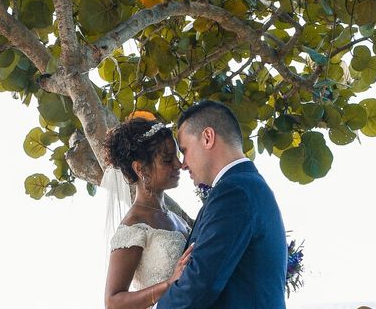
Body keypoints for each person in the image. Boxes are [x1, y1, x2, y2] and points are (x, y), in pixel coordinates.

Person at [156, 100, 288, 308]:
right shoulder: (247, 186)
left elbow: (202, 282)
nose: (182, 163)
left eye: (185, 150)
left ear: (207, 137)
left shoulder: (234, 192)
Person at [103, 117, 194, 309]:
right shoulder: (134, 226)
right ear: (140, 168)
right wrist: (168, 284)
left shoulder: (177, 219)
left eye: (177, 156)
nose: (179, 164)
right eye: (168, 159)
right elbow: (113, 302)